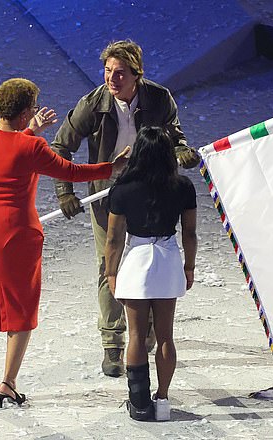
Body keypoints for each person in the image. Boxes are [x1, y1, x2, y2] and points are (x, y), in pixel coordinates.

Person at [0, 78, 128, 408]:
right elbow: (71, 172)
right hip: (15, 231)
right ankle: (8, 383)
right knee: (20, 305)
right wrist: (113, 166)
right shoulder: (32, 148)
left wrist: (29, 129)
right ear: (26, 111)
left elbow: (6, 149)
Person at [50, 39, 200, 377]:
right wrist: (65, 191)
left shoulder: (159, 99)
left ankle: (147, 329)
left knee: (152, 259)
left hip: (151, 192)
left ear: (137, 75)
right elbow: (60, 146)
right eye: (107, 71)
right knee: (110, 262)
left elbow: (175, 139)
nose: (111, 79)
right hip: (108, 196)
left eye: (119, 73)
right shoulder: (93, 104)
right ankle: (113, 342)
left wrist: (182, 153)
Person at [105, 126, 198, 421]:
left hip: (137, 258)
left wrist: (110, 272)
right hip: (168, 258)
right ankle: (162, 399)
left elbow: (113, 238)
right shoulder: (182, 187)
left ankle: (139, 402)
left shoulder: (122, 188)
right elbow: (191, 233)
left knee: (135, 335)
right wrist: (189, 266)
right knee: (166, 336)